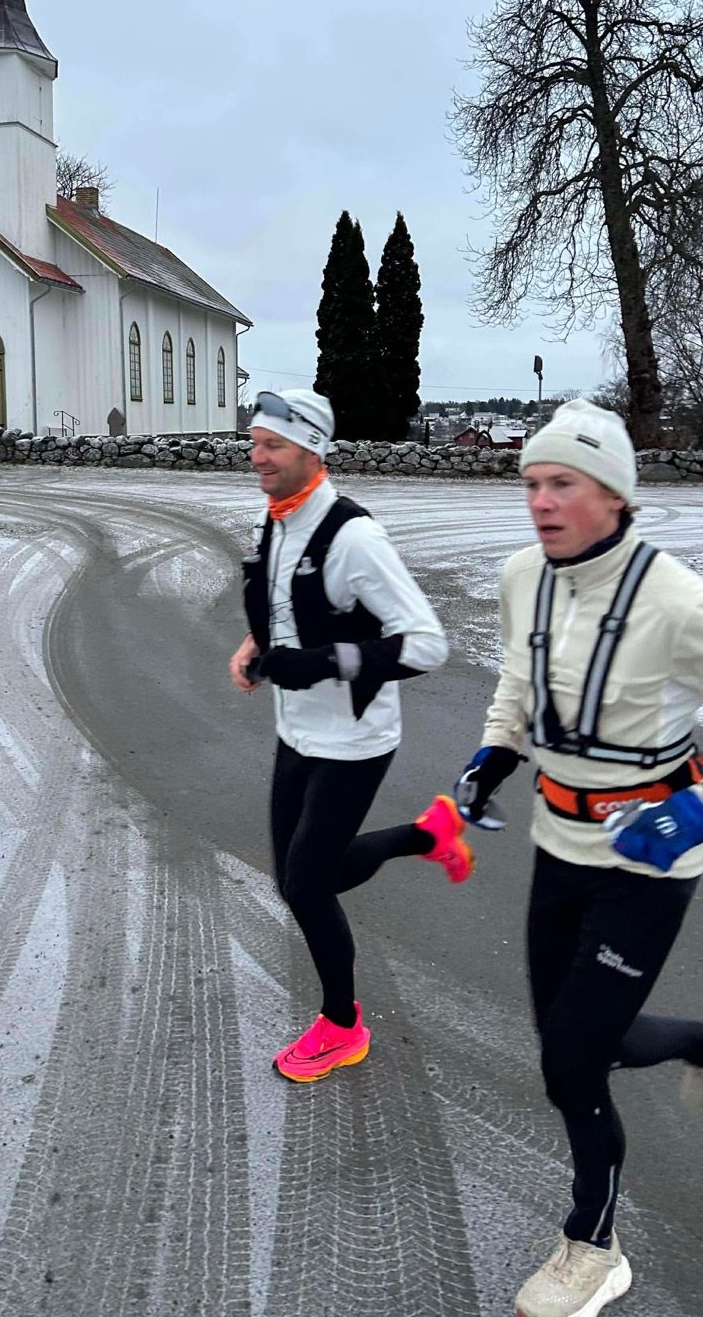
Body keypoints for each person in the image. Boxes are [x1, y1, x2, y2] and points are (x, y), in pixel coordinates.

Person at [455, 398, 703, 1317]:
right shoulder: (523, 577)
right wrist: (493, 756)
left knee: (571, 1063)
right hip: (558, 842)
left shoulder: (680, 604)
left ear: (614, 495)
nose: (540, 501)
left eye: (562, 483)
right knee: (574, 1039)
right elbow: (520, 678)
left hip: (650, 859)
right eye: (532, 483)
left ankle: (593, 1246)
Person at [229, 387, 471, 1083]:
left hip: (357, 739)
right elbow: (283, 604)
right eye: (255, 443)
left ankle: (342, 1026)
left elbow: (427, 644)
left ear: (313, 450)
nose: (258, 457)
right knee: (300, 877)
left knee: (307, 887)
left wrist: (325, 662)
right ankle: (427, 835)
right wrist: (255, 644)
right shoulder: (279, 516)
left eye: (273, 445)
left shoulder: (354, 538)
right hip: (297, 730)